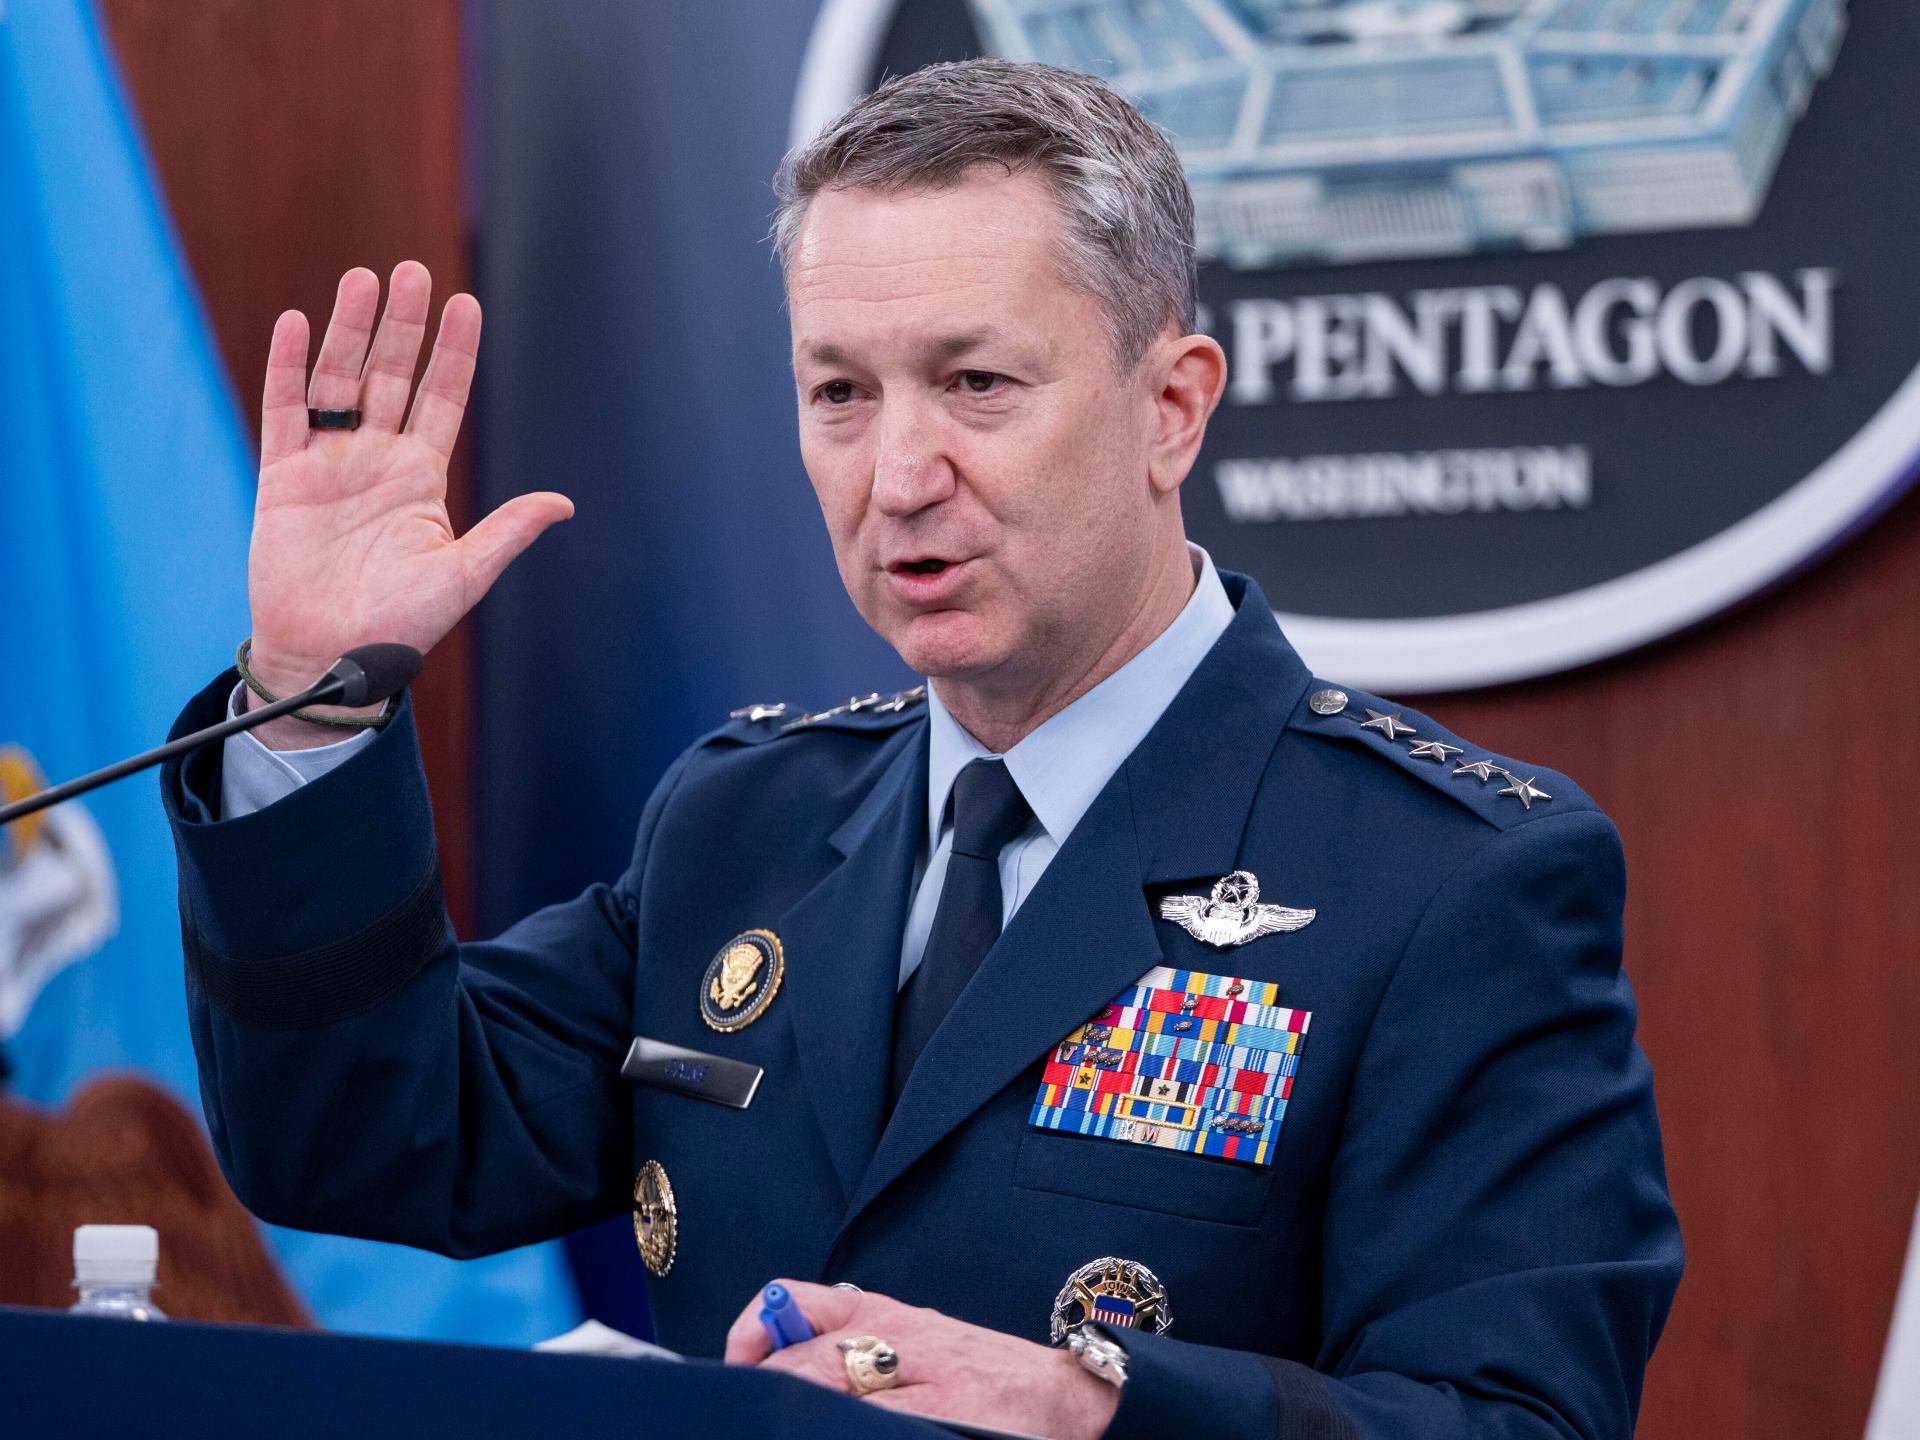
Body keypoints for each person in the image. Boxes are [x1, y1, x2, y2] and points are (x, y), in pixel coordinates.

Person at [161, 60, 1680, 1440]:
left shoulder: (1449, 880)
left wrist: (1090, 1407)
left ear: (1171, 408)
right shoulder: (746, 819)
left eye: (976, 384)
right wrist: (313, 700)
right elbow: (366, 1133)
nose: (897, 475)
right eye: (841, 392)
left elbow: (1515, 1422)